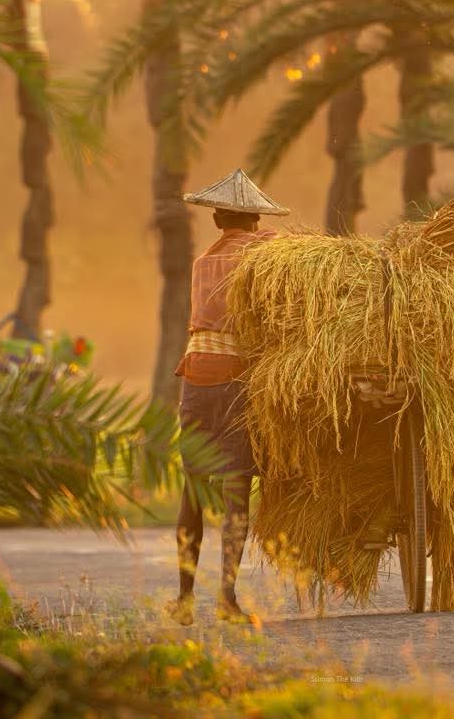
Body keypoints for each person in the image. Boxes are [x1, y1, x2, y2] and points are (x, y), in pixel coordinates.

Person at [166, 169, 288, 625]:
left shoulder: (201, 265)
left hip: (196, 378)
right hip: (236, 379)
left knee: (192, 491)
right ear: (255, 219)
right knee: (237, 488)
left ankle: (182, 599)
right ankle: (228, 597)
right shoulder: (263, 256)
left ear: (216, 219)